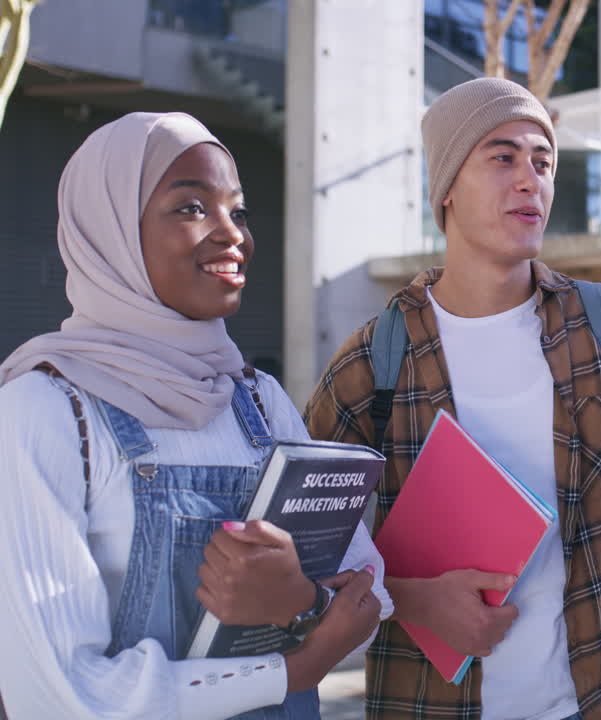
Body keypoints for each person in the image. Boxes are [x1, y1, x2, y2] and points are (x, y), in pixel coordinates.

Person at [303, 78, 601, 720]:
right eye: (502, 157)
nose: (530, 178)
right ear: (446, 185)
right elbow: (304, 554)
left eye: (543, 161)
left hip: (600, 701)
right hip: (429, 705)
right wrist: (411, 598)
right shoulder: (374, 363)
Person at [0, 112, 390, 719]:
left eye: (238, 210)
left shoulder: (257, 400)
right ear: (110, 233)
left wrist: (299, 601)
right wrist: (290, 670)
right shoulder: (45, 412)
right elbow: (59, 696)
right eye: (191, 208)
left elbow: (368, 587)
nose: (233, 234)